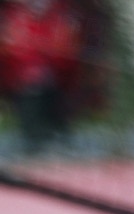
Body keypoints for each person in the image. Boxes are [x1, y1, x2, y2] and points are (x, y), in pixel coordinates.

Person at [0, 0, 81, 152]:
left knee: (57, 127)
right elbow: (9, 51)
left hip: (56, 85)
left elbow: (68, 52)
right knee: (33, 128)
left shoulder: (61, 17)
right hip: (24, 87)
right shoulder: (16, 17)